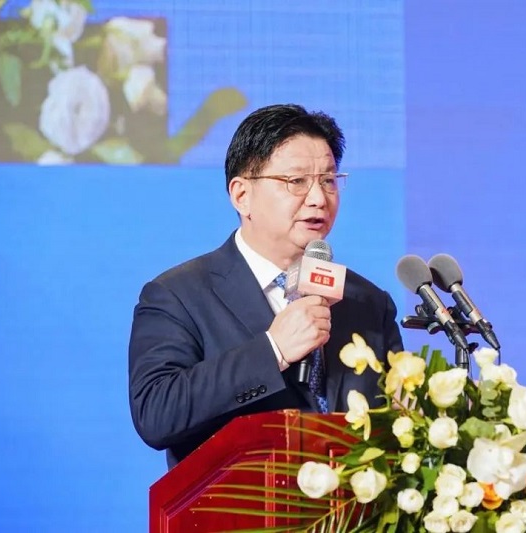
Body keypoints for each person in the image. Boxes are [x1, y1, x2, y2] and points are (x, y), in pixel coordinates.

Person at [128, 104, 403, 468]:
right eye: (296, 181)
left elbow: (395, 423)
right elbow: (157, 414)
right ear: (242, 195)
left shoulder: (367, 301)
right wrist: (273, 350)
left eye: (328, 180)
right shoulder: (178, 296)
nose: (318, 198)